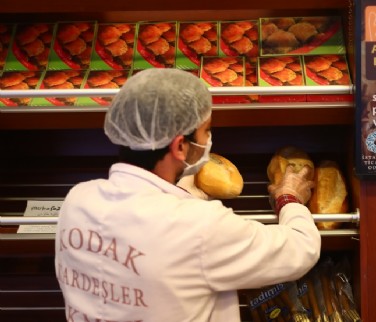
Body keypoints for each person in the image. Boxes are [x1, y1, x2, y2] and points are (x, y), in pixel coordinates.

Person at [54, 68, 321, 322]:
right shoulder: (200, 226)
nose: (208, 140)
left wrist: (181, 194)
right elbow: (299, 249)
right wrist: (288, 196)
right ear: (180, 146)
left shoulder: (77, 200)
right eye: (206, 131)